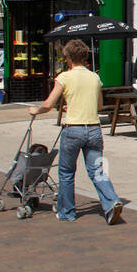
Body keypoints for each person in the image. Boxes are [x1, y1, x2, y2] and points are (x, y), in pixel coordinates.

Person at [30, 39, 125, 224]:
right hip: (94, 129)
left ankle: (67, 212)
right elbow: (99, 105)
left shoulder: (64, 77)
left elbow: (49, 104)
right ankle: (112, 201)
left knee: (66, 172)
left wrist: (35, 110)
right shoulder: (95, 77)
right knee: (98, 171)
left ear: (68, 59)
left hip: (73, 130)